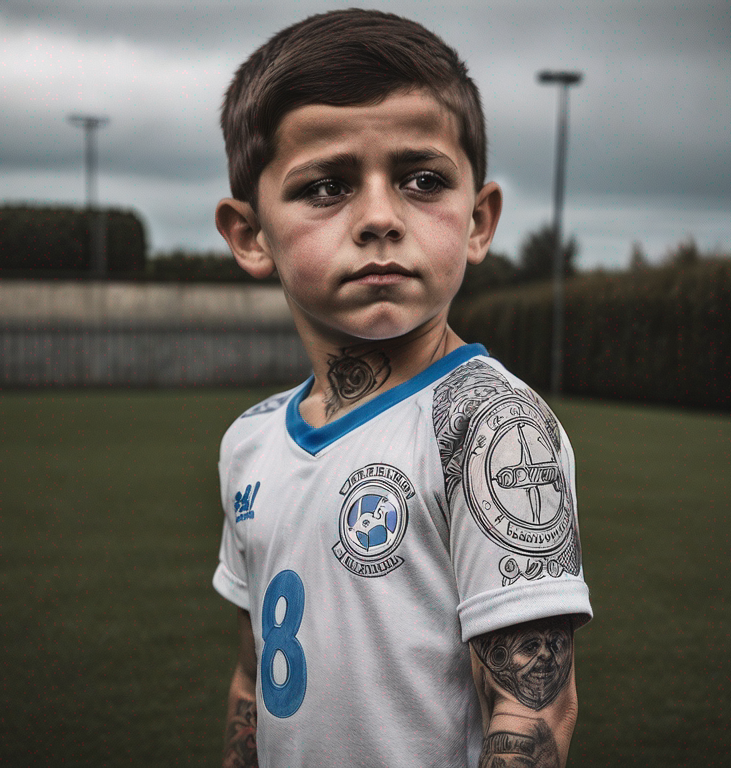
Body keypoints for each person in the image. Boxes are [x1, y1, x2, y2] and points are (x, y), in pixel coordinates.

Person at [212, 9, 592, 767]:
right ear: (251, 235)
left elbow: (534, 708)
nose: (381, 218)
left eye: (423, 181)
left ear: (479, 220)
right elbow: (254, 674)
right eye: (326, 186)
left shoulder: (488, 425)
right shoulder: (249, 439)